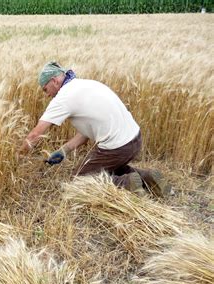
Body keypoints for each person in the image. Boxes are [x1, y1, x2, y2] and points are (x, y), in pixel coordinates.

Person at [19, 61, 170, 197]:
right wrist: (63, 151)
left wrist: (18, 156)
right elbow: (86, 132)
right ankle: (148, 178)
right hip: (135, 139)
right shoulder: (85, 84)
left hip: (117, 148)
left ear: (54, 81)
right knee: (104, 167)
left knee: (80, 179)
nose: (47, 95)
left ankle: (127, 182)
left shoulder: (63, 98)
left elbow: (35, 135)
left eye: (46, 89)